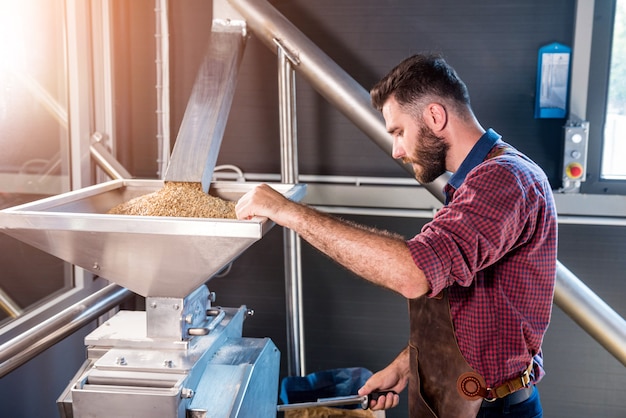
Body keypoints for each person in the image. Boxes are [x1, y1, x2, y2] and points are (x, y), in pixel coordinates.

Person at [235, 53, 557, 418]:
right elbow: (472, 312)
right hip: (460, 399)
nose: (397, 150)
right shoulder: (472, 185)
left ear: (435, 116)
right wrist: (405, 366)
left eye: (399, 131)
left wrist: (288, 212)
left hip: (493, 410)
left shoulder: (503, 180)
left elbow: (413, 274)